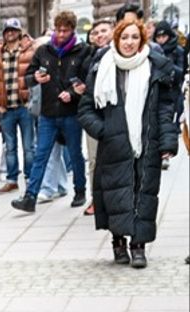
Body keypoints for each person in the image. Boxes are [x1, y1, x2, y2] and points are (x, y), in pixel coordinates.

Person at [78, 18, 179, 269]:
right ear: (117, 39)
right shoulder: (102, 66)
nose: (129, 42)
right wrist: (104, 131)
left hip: (146, 142)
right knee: (116, 194)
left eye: (135, 37)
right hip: (113, 143)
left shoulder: (156, 67)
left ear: (142, 40)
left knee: (143, 193)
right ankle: (118, 242)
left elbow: (165, 108)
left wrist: (167, 140)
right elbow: (86, 109)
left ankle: (139, 246)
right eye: (125, 37)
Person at [11, 11, 91, 213]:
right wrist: (36, 77)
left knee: (74, 154)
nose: (61, 34)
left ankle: (80, 191)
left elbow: (87, 81)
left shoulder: (83, 51)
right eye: (58, 29)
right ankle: (30, 197)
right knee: (41, 155)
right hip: (47, 113)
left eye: (66, 30)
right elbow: (27, 76)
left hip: (71, 113)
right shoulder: (44, 51)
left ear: (72, 30)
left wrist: (72, 93)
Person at [0, 18, 37, 195]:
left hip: (25, 107)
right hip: (6, 109)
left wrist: (33, 99)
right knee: (9, 147)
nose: (10, 33)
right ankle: (12, 180)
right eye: (7, 30)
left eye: (13, 30)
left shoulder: (30, 51)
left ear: (19, 32)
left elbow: (37, 74)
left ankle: (31, 179)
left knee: (29, 146)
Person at [82, 17, 115, 215]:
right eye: (96, 32)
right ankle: (96, 199)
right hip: (93, 114)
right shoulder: (89, 57)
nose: (100, 35)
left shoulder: (119, 54)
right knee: (94, 159)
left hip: (114, 112)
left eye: (104, 31)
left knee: (116, 158)